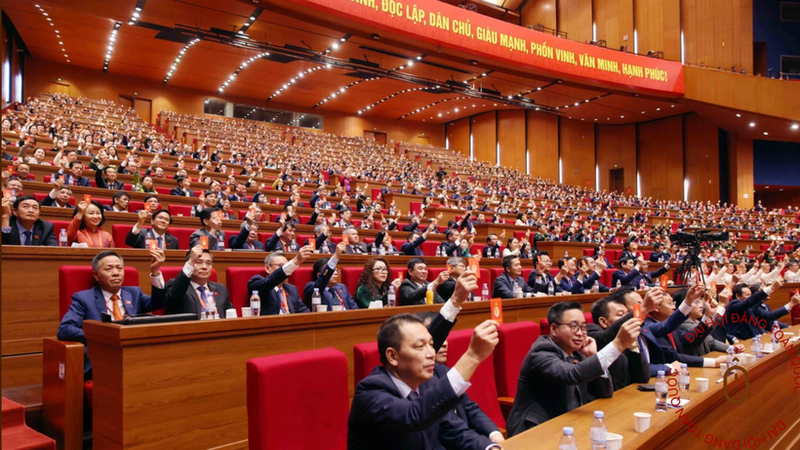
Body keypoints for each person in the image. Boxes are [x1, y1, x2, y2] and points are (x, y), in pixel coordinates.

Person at [348, 271, 503, 450]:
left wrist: (491, 448)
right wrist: (472, 356)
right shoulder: (371, 391)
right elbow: (414, 416)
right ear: (393, 356)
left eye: (431, 345)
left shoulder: (424, 384)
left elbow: (455, 431)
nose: (431, 353)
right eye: (420, 346)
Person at [506, 301, 639, 436]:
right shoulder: (541, 351)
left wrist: (592, 355)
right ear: (553, 329)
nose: (580, 333)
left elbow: (605, 392)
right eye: (573, 326)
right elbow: (571, 374)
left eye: (583, 327)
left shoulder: (578, 353)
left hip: (570, 424)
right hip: (536, 429)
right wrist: (618, 345)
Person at [56, 249, 166, 377]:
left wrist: (155, 272)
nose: (116, 273)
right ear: (96, 275)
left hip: (135, 353)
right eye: (108, 269)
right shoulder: (84, 298)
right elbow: (65, 329)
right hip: (104, 357)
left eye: (119, 268)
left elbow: (158, 303)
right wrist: (104, 336)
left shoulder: (134, 293)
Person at [416, 311, 504, 444]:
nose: (444, 343)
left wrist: (494, 433)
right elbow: (451, 427)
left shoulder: (444, 371)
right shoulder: (416, 384)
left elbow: (469, 408)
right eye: (436, 338)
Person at [642, 285, 727, 369]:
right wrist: (713, 362)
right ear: (656, 307)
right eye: (670, 303)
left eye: (673, 303)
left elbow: (693, 338)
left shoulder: (672, 327)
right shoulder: (649, 327)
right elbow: (673, 357)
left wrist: (708, 315)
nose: (674, 307)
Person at [589, 293, 655, 391]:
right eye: (620, 314)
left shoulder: (627, 338)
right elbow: (605, 337)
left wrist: (634, 348)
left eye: (627, 313)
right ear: (603, 321)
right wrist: (643, 309)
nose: (627, 318)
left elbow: (644, 378)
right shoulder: (591, 331)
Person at [164, 246, 233, 317]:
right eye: (199, 262)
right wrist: (191, 261)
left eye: (208, 263)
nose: (204, 267)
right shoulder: (178, 287)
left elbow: (231, 316)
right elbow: (174, 297)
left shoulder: (221, 289)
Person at [675, 288, 743, 357]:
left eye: (700, 301)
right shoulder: (682, 324)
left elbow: (711, 342)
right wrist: (721, 305)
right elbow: (702, 332)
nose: (701, 305)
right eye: (696, 302)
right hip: (695, 362)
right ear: (684, 305)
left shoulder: (696, 321)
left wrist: (731, 348)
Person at [247, 246, 314, 315]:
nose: (287, 270)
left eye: (286, 266)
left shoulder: (291, 289)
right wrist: (295, 261)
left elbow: (305, 313)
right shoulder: (257, 282)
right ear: (267, 268)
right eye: (281, 266)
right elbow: (269, 282)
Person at [724, 281, 794, 341]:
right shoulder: (733, 304)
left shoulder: (749, 306)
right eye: (748, 295)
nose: (750, 297)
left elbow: (767, 316)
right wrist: (771, 288)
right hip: (741, 340)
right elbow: (749, 302)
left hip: (755, 338)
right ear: (738, 296)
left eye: (751, 295)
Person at [304, 242, 358, 311]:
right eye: (332, 271)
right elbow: (322, 281)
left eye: (336, 270)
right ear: (319, 275)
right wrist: (336, 256)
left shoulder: (342, 287)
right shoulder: (313, 288)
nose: (335, 273)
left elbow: (354, 308)